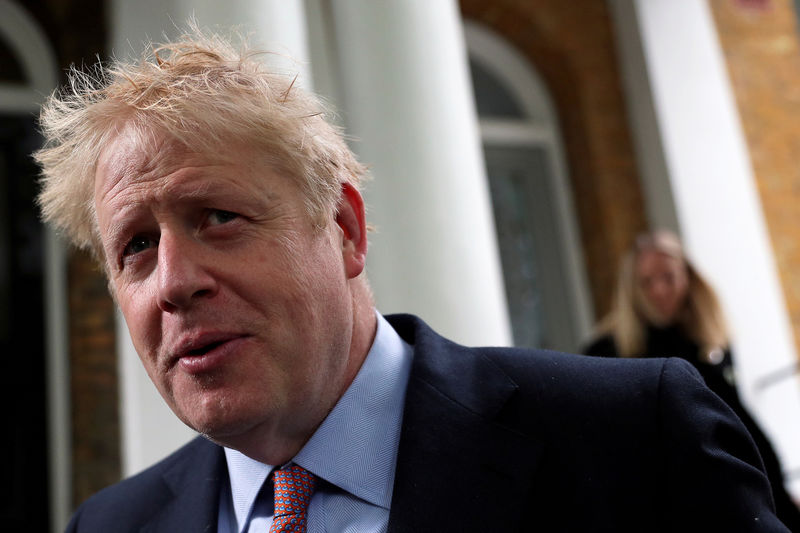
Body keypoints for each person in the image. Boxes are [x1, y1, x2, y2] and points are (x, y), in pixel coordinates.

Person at [34, 25, 789, 532]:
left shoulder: (633, 440)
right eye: (134, 245)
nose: (173, 281)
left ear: (345, 230)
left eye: (220, 217)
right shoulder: (111, 525)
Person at [583, 229, 800, 530]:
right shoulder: (608, 352)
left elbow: (736, 419)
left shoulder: (707, 336)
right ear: (632, 288)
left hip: (749, 484)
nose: (659, 290)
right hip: (682, 499)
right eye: (647, 282)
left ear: (687, 276)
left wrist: (780, 495)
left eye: (668, 277)